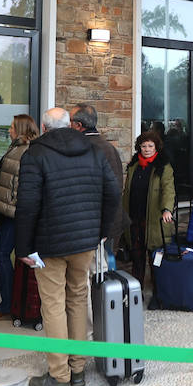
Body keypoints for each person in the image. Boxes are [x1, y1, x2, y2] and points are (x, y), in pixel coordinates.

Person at [15, 108, 121, 386]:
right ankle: (77, 369)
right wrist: (101, 230)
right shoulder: (94, 150)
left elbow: (26, 205)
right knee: (77, 299)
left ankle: (59, 375)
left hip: (50, 244)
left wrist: (22, 247)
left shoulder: (35, 154)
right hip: (85, 241)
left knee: (52, 305)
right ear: (69, 126)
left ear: (46, 128)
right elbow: (113, 193)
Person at [0, 114, 39, 319]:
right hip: (11, 212)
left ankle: (8, 303)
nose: (8, 130)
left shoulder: (24, 151)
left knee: (1, 254)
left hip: (14, 214)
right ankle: (14, 301)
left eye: (11, 127)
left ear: (20, 128)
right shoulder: (19, 148)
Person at [70, 103, 126, 269]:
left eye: (70, 121)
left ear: (79, 126)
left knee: (96, 273)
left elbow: (108, 191)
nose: (68, 125)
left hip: (96, 225)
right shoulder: (107, 147)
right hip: (107, 222)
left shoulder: (85, 148)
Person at [121, 130, 175, 284]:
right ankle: (137, 291)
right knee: (137, 255)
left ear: (156, 147)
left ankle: (158, 293)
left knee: (154, 256)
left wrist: (167, 209)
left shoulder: (163, 167)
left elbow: (168, 190)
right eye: (143, 146)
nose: (147, 149)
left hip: (152, 218)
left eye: (150, 146)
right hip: (134, 216)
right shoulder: (134, 165)